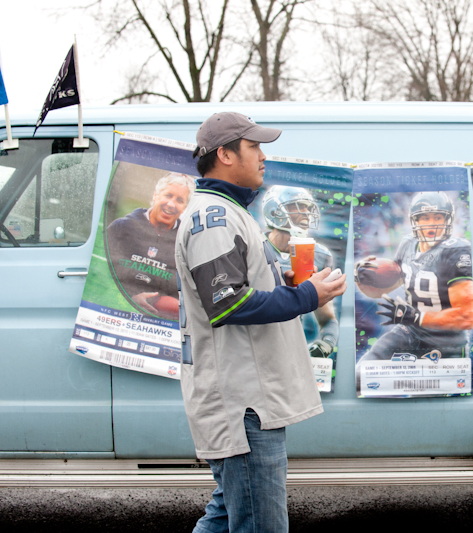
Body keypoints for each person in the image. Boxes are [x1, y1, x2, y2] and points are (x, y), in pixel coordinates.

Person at [175, 111, 346, 533]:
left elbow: (237, 288)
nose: (263, 156)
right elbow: (227, 304)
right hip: (244, 403)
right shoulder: (213, 217)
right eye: (254, 147)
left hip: (248, 400)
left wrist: (282, 283)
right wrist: (307, 296)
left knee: (226, 517)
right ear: (225, 155)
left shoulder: (229, 211)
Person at [354, 191, 473, 364]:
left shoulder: (456, 251)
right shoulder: (408, 243)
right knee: (364, 372)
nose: (432, 224)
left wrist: (418, 317)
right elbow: (386, 287)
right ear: (415, 221)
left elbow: (466, 316)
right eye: (425, 218)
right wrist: (363, 277)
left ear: (448, 220)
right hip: (410, 331)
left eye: (438, 217)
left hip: (446, 340)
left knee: (435, 388)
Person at [260, 186, 339, 359]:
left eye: (308, 208)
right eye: (298, 206)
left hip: (290, 351)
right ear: (274, 211)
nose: (306, 213)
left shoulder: (319, 255)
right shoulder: (253, 247)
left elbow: (327, 318)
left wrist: (326, 343)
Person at [106, 172, 194, 319]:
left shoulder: (185, 243)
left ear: (185, 208)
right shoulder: (121, 227)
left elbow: (185, 295)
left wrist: (157, 302)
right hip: (115, 313)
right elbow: (102, 275)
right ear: (155, 196)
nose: (171, 204)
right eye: (168, 195)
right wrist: (130, 299)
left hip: (159, 324)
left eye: (179, 200)